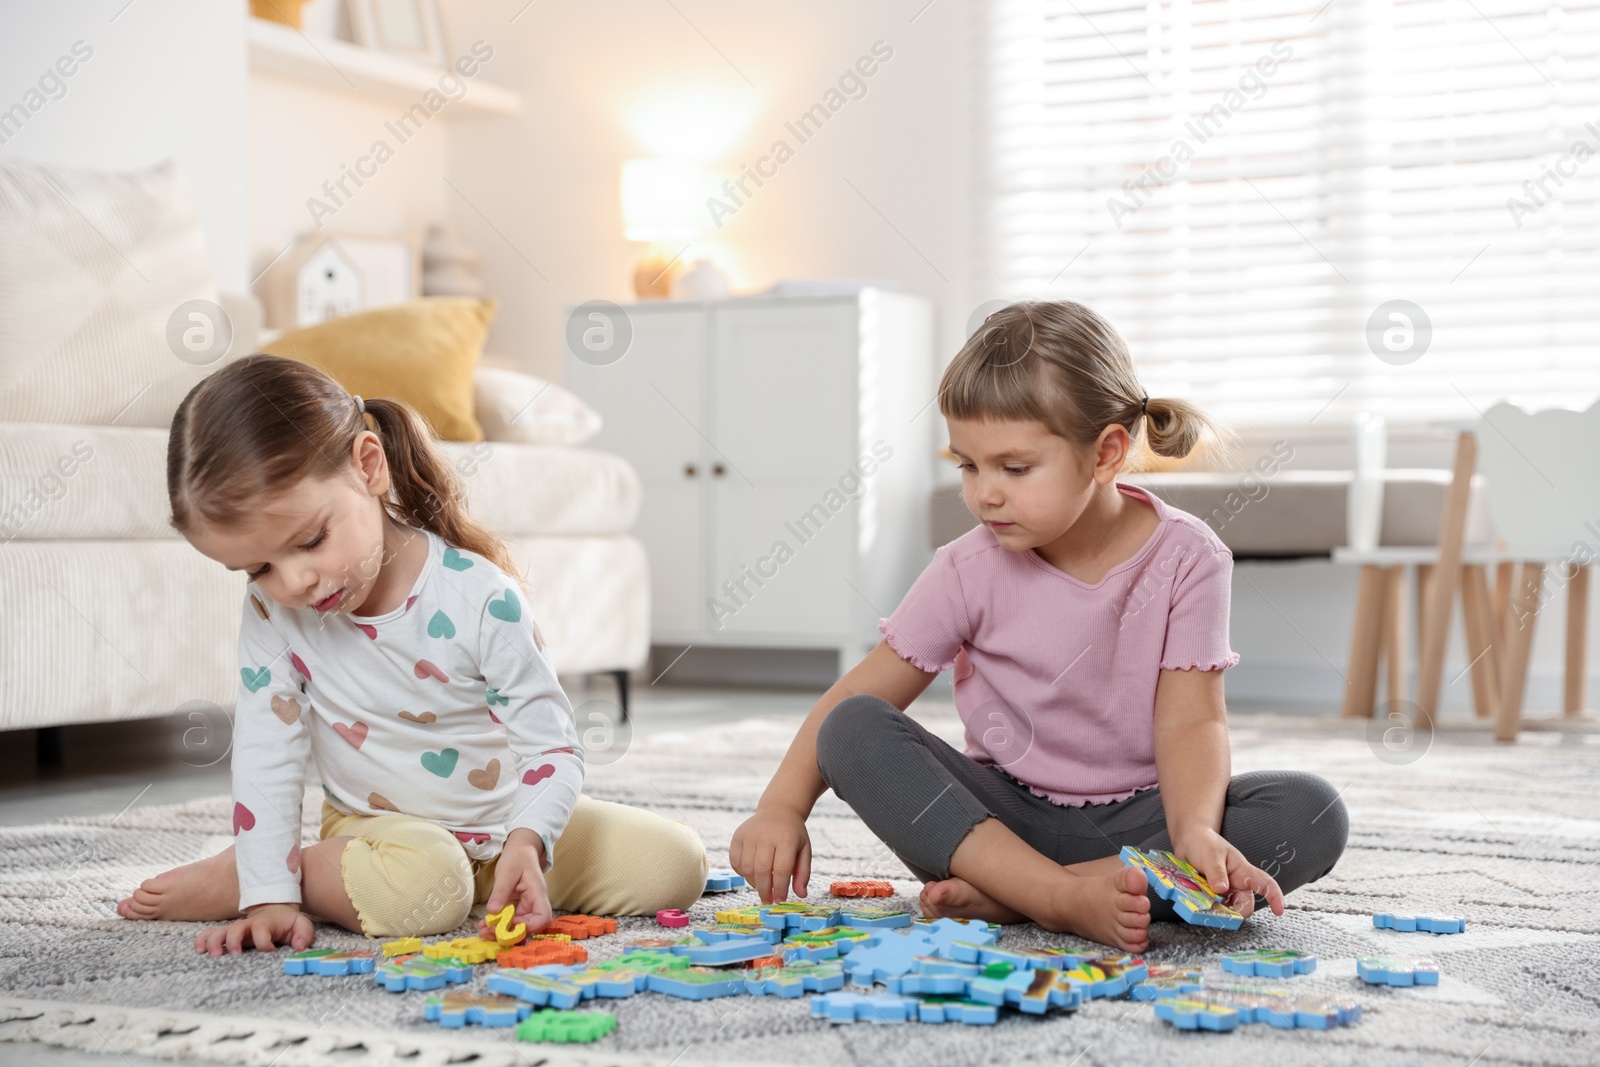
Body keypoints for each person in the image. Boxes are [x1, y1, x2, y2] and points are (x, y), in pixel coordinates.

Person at [729, 301, 1347, 952]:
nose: (984, 494)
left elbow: (1193, 720)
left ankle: (1023, 896)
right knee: (853, 727)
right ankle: (1055, 893)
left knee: (1312, 809)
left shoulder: (1189, 557)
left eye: (1014, 468)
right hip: (997, 824)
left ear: (1106, 452)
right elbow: (861, 693)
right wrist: (781, 806)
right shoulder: (965, 567)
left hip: (1145, 822)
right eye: (968, 465)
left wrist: (1194, 831)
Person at [118, 354, 706, 956]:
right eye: (258, 568)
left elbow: (550, 744)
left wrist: (529, 843)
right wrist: (270, 893)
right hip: (384, 838)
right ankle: (257, 871)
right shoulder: (275, 612)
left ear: (368, 467)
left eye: (310, 540)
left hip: (505, 824)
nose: (294, 581)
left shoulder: (478, 595)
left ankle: (486, 881)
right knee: (425, 889)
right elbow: (267, 750)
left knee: (676, 865)